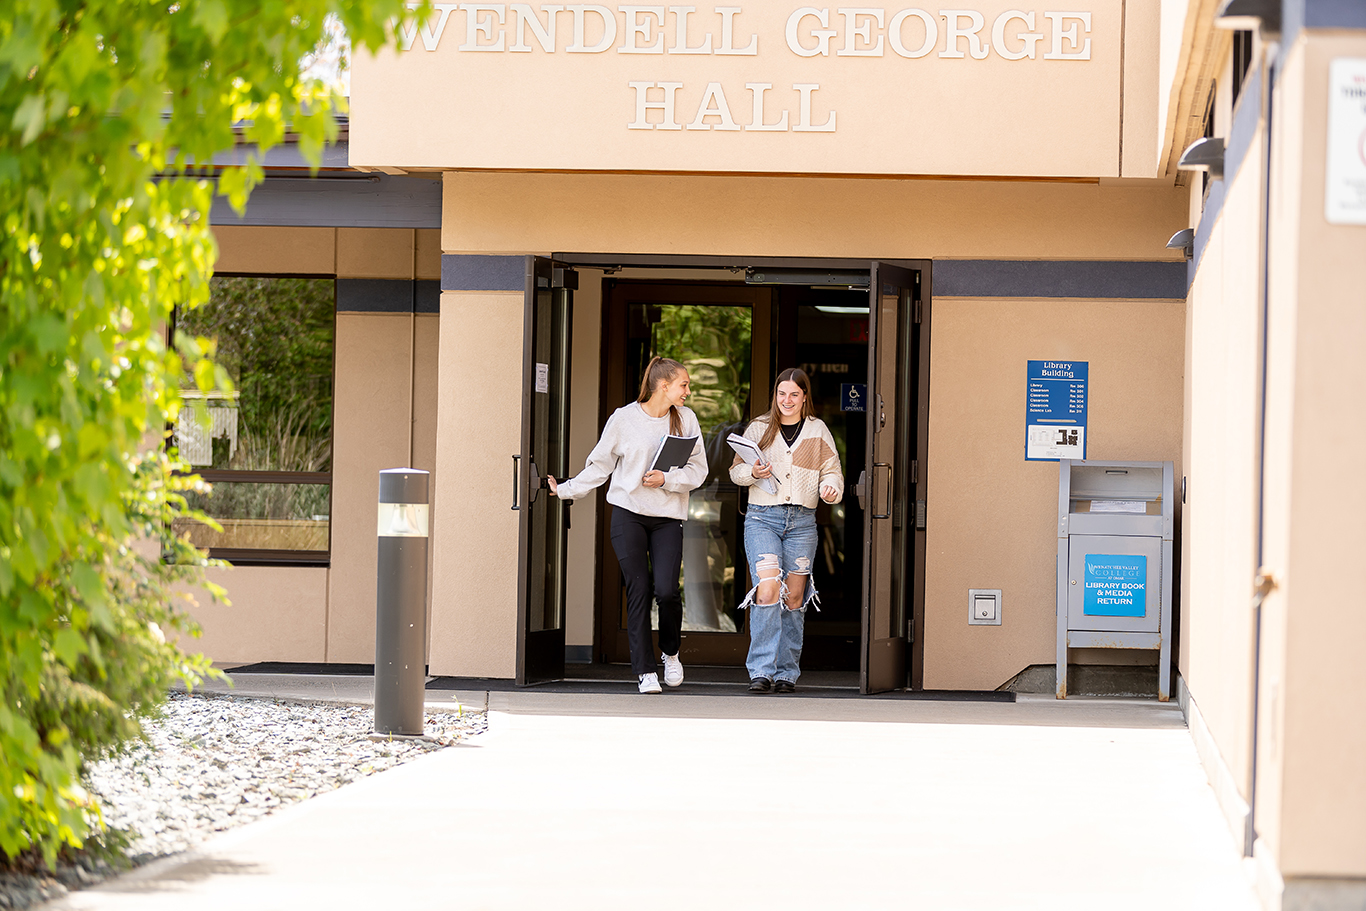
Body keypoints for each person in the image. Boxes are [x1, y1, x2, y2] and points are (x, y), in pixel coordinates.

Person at [547, 356, 708, 694]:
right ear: (663, 386)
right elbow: (600, 465)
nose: (688, 391)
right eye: (684, 385)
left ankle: (670, 652)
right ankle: (644, 671)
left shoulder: (686, 420)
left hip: (667, 517)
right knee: (639, 588)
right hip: (628, 512)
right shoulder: (623, 419)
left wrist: (667, 478)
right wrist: (566, 489)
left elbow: (699, 471)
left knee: (666, 590)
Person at [730, 368, 843, 694]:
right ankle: (761, 671)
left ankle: (786, 673)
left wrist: (830, 488)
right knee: (767, 588)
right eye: (782, 394)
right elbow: (736, 472)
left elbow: (832, 471)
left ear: (804, 396)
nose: (787, 400)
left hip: (802, 523)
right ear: (775, 396)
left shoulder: (817, 431)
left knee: (794, 597)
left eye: (794, 394)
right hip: (763, 518)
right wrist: (752, 470)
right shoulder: (760, 428)